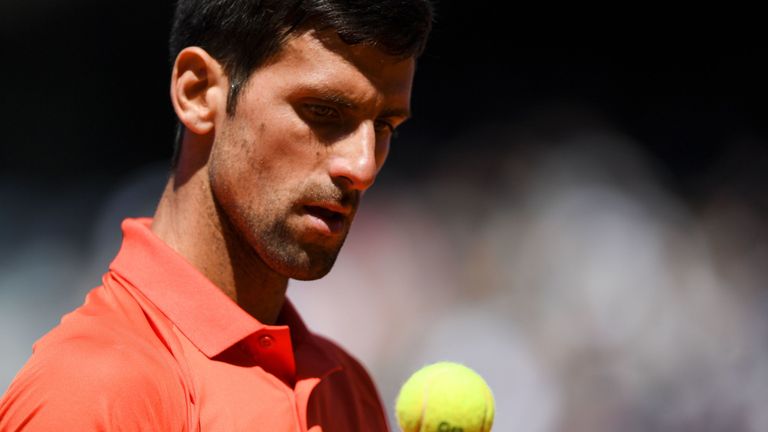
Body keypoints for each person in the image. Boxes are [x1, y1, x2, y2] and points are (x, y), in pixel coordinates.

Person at [0, 0, 433, 430]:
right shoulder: (90, 396)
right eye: (323, 112)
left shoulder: (346, 387)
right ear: (198, 92)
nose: (362, 167)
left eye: (383, 127)